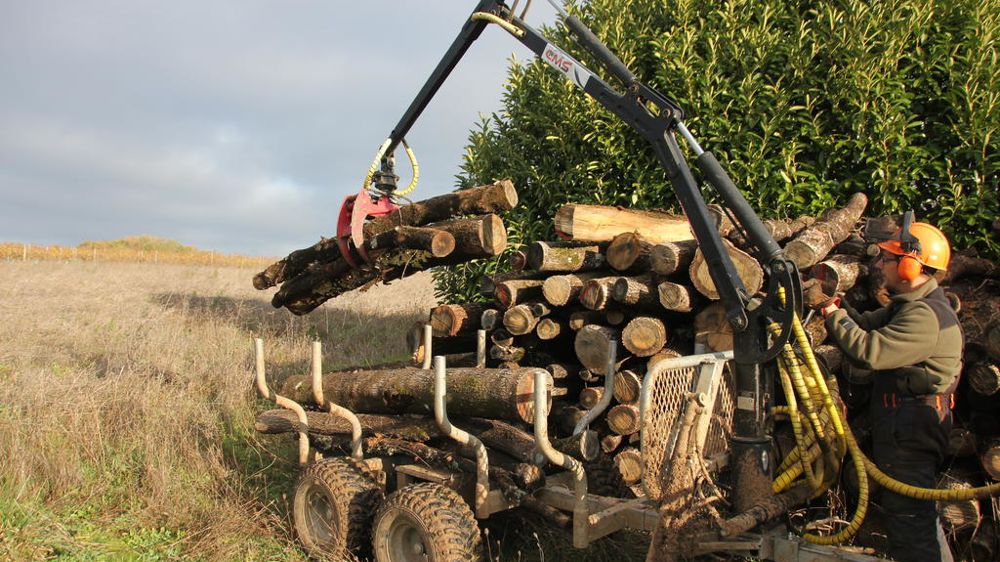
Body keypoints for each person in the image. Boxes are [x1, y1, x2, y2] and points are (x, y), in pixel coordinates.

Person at [806, 214, 962, 562]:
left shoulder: (923, 317)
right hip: (904, 424)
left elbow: (868, 351)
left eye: (888, 258)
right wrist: (833, 300)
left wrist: (831, 312)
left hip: (912, 430)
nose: (881, 264)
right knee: (915, 515)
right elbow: (861, 326)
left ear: (910, 265)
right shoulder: (910, 306)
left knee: (911, 524)